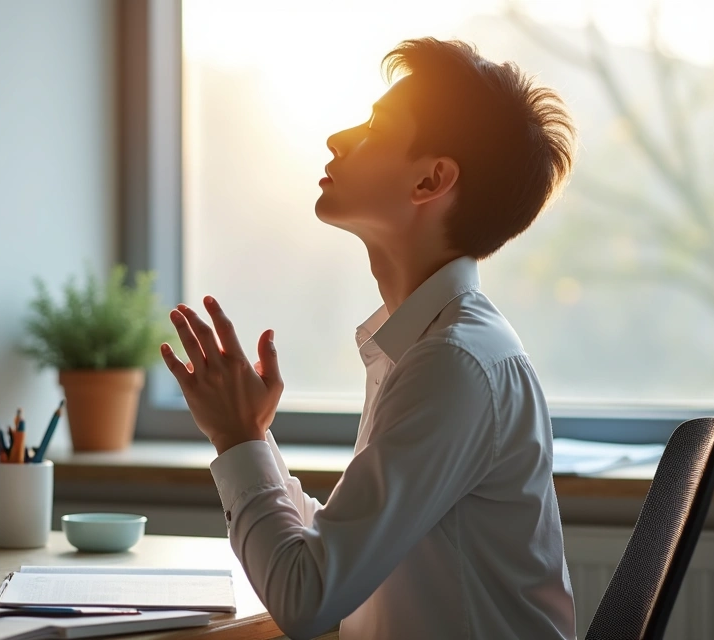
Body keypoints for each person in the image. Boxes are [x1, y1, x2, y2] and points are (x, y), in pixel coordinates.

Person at [160, 37, 577, 640]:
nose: (338, 138)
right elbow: (340, 551)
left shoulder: (453, 363)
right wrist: (253, 438)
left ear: (431, 180)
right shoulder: (427, 342)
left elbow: (308, 599)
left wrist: (235, 437)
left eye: (376, 126)